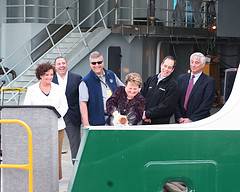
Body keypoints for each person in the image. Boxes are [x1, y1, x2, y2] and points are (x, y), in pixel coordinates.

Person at [23, 62, 68, 180]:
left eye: (51, 74)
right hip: (38, 128)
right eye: (46, 75)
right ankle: (40, 177)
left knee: (56, 154)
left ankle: (55, 178)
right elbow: (27, 107)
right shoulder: (31, 89)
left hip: (57, 127)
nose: (49, 77)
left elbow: (64, 106)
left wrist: (54, 116)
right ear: (40, 75)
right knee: (40, 153)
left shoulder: (58, 89)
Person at [79, 51, 124, 127]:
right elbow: (83, 104)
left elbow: (123, 89)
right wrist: (86, 125)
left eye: (99, 62)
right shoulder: (85, 81)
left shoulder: (111, 74)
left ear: (103, 62)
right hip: (97, 122)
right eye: (94, 63)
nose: (97, 65)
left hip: (115, 119)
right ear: (90, 64)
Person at [52, 56, 82, 163]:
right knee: (53, 145)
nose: (61, 66)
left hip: (72, 116)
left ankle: (77, 169)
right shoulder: (51, 79)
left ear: (67, 64)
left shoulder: (77, 78)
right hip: (56, 116)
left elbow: (81, 98)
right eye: (59, 64)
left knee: (75, 145)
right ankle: (54, 171)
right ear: (55, 66)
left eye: (63, 63)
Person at [175, 52, 215, 123]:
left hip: (198, 122)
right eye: (192, 62)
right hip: (180, 121)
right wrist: (179, 117)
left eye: (196, 62)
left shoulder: (209, 82)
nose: (193, 65)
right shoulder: (181, 78)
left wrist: (192, 119)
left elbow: (206, 104)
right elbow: (175, 100)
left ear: (203, 65)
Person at [141, 56, 179, 124]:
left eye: (169, 67)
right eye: (165, 66)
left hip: (160, 125)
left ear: (172, 69)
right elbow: (141, 97)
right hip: (145, 122)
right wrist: (142, 113)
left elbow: (167, 107)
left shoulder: (173, 86)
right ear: (161, 65)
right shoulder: (151, 79)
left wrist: (147, 114)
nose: (166, 69)